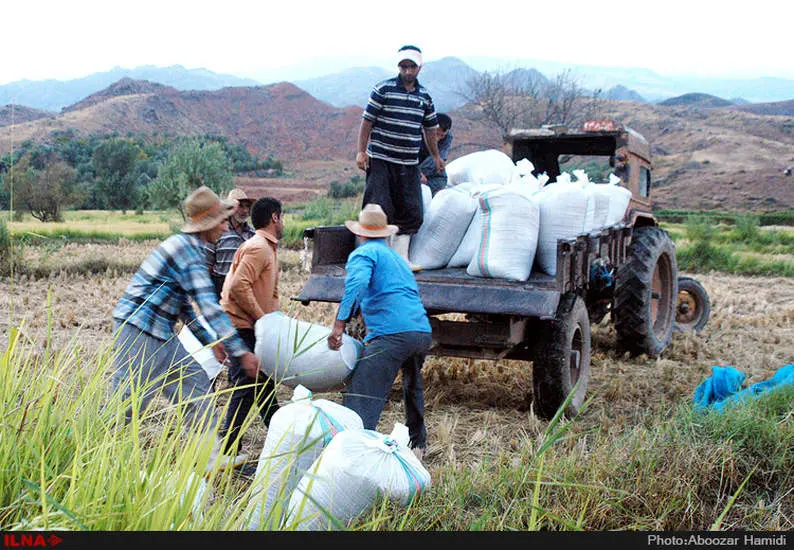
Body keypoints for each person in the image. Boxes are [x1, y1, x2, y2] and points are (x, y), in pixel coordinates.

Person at [111, 186, 261, 474]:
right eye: (220, 221)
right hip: (139, 330)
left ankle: (208, 456)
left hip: (161, 331)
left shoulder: (190, 248)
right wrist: (240, 352)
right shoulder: (188, 253)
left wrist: (211, 341)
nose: (224, 225)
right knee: (129, 403)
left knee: (195, 383)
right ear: (207, 224)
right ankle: (97, 458)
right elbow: (209, 305)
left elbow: (183, 306)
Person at [327, 204, 433, 461]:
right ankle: (417, 444)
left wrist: (339, 324)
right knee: (412, 384)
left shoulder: (364, 254)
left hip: (392, 334)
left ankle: (354, 453)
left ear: (360, 233)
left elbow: (358, 284)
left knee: (362, 392)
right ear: (385, 234)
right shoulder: (396, 257)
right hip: (420, 332)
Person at [356, 44, 445, 271]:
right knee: (378, 207)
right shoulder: (383, 89)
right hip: (382, 160)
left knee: (411, 210)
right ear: (399, 66)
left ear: (419, 68)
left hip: (408, 163)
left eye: (412, 66)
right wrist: (361, 151)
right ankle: (376, 260)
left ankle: (401, 259)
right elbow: (367, 121)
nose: (407, 71)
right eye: (404, 66)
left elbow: (430, 129)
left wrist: (436, 157)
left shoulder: (424, 96)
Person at [218, 196, 284, 456]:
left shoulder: (267, 248)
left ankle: (282, 443)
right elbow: (237, 286)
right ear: (275, 218)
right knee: (246, 385)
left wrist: (276, 324)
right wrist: (263, 318)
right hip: (241, 327)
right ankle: (227, 450)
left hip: (252, 328)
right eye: (283, 217)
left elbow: (270, 293)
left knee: (264, 388)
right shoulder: (258, 247)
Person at [205, 188, 255, 300]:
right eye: (240, 206)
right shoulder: (217, 232)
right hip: (220, 286)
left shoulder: (253, 234)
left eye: (247, 206)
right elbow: (207, 264)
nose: (245, 210)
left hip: (245, 287)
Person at [419, 113, 453, 197]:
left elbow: (439, 159)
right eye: (435, 134)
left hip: (430, 172)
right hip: (412, 168)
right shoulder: (417, 134)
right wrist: (418, 174)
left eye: (441, 136)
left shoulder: (447, 138)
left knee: (440, 184)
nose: (437, 139)